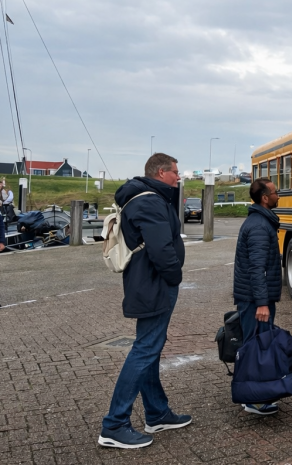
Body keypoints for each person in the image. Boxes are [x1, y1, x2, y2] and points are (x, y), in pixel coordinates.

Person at [98, 153, 191, 449]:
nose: (178, 177)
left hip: (148, 282)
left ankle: (157, 413)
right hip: (154, 283)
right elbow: (161, 247)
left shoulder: (142, 197)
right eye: (176, 172)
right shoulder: (149, 201)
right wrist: (174, 276)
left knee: (150, 347)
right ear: (161, 172)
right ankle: (114, 425)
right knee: (146, 348)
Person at [232, 177, 282, 416]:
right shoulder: (260, 227)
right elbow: (257, 268)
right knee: (255, 347)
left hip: (252, 298)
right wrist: (262, 303)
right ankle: (253, 400)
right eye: (275, 192)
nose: (278, 195)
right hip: (254, 301)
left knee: (256, 345)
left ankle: (254, 395)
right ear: (265, 197)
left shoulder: (259, 222)